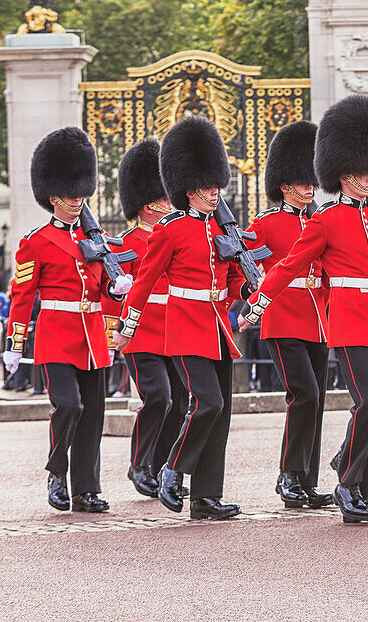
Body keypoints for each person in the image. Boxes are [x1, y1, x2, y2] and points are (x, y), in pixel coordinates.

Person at [241, 96, 368, 525]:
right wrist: (259, 303)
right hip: (350, 321)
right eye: (361, 172)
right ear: (343, 174)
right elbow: (289, 264)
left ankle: (364, 489)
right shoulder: (326, 219)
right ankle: (347, 486)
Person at [117, 116, 249, 521]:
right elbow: (142, 283)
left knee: (221, 410)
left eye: (216, 186)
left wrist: (250, 292)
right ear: (190, 190)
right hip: (186, 324)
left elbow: (233, 279)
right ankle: (173, 468)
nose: (217, 193)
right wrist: (127, 327)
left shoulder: (223, 230)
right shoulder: (169, 231)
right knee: (206, 402)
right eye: (210, 188)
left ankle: (207, 497)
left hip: (217, 324)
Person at [3, 127, 129, 514]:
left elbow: (104, 289)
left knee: (93, 414)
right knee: (69, 407)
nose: (78, 201)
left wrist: (118, 288)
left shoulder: (97, 238)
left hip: (93, 335)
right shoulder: (35, 242)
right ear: (53, 197)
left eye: (81, 194)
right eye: (70, 196)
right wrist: (15, 342)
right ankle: (57, 473)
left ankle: (86, 489)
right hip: (57, 336)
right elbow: (22, 295)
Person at [241, 120, 333, 511]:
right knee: (304, 394)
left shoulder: (319, 220)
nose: (309, 187)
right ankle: (289, 476)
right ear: (284, 185)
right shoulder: (264, 224)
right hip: (281, 317)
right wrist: (250, 294)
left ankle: (306, 480)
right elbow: (243, 266)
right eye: (302, 181)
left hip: (317, 317)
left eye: (311, 180)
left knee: (318, 398)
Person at [110, 138, 187, 500]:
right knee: (158, 397)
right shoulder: (125, 244)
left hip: (175, 327)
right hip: (141, 331)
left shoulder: (176, 235)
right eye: (164, 199)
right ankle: (140, 463)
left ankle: (163, 465)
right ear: (148, 204)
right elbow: (111, 290)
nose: (170, 204)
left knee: (182, 400)